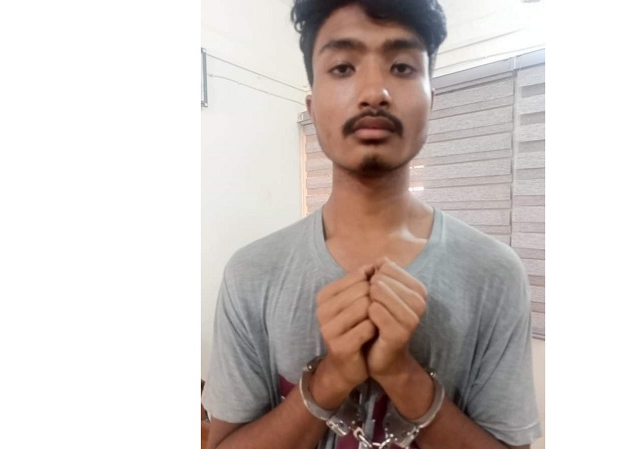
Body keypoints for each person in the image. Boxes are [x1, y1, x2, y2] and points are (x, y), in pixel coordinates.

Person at [202, 1, 542, 448]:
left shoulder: (495, 273)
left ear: (431, 101)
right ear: (312, 107)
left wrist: (403, 375)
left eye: (401, 67)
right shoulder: (251, 273)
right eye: (343, 67)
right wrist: (330, 378)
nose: (374, 92)